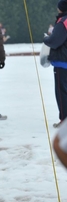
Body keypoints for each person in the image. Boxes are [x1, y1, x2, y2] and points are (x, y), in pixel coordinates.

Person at [44, 0, 67, 128]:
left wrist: (46, 38)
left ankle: (64, 122)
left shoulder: (63, 21)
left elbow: (54, 41)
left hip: (62, 63)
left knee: (62, 92)